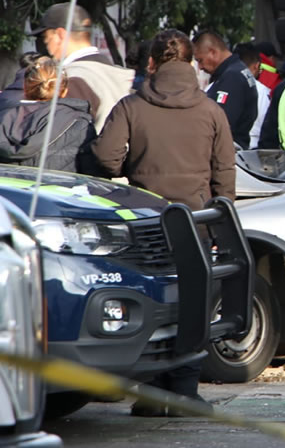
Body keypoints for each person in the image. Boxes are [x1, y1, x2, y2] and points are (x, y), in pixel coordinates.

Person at [91, 29, 234, 416]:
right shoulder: (211, 111)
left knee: (151, 302)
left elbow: (105, 157)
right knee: (193, 304)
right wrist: (219, 225)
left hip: (145, 224)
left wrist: (130, 168)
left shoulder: (132, 106)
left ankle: (152, 392)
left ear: (151, 64)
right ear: (190, 63)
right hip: (196, 223)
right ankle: (186, 390)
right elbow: (224, 175)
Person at [29, 3, 130, 130]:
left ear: (60, 35)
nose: (46, 45)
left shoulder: (70, 80)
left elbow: (59, 138)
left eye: (46, 38)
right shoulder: (115, 71)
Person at [0, 56, 95, 172]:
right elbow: (91, 171)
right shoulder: (80, 123)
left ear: (24, 88)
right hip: (59, 188)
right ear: (64, 91)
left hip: (9, 189)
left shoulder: (4, 117)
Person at [192, 30, 258, 148]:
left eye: (200, 60)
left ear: (213, 52)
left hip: (226, 152)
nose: (200, 67)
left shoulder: (232, 77)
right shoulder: (237, 70)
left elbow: (217, 124)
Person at [234, 42, 271, 149]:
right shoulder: (263, 91)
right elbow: (266, 125)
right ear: (256, 66)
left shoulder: (216, 85)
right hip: (252, 150)